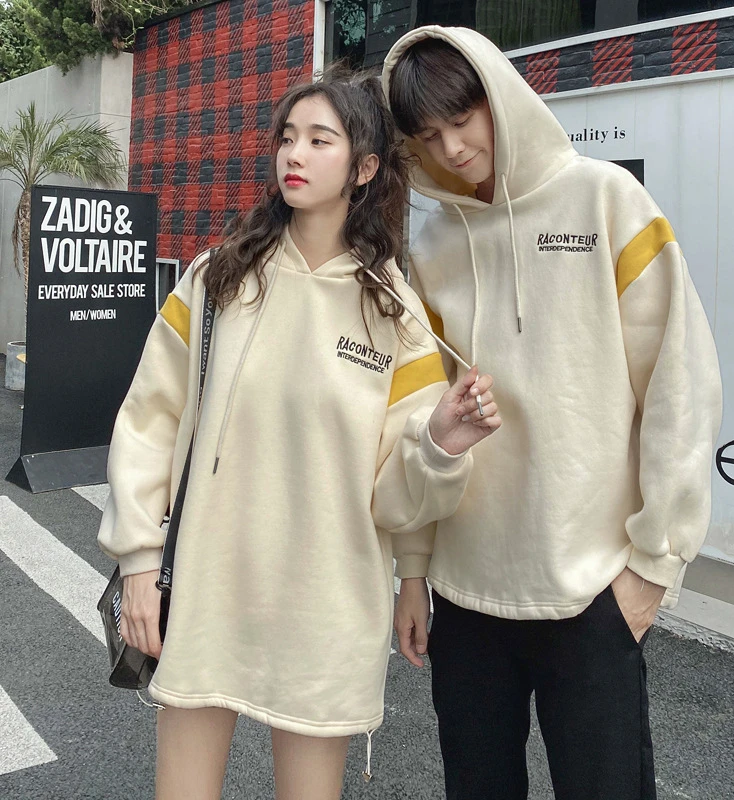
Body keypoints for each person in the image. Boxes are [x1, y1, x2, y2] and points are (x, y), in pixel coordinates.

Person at [97, 68, 501, 800]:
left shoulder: (394, 313)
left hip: (328, 600)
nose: (295, 154)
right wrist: (137, 559)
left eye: (320, 140)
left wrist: (440, 444)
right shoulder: (218, 280)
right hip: (209, 583)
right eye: (288, 137)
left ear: (364, 168)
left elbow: (395, 499)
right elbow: (149, 420)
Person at [383, 27, 722, 800]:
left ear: (498, 96)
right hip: (466, 592)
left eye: (463, 118)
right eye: (428, 136)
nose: (453, 147)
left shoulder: (606, 199)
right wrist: (413, 573)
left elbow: (679, 383)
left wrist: (652, 569)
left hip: (592, 589)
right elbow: (420, 417)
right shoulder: (430, 246)